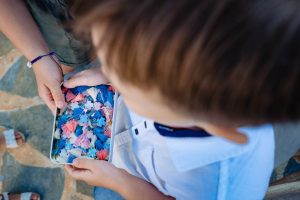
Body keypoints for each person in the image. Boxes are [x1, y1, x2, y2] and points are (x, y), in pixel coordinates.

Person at [62, 0, 300, 199]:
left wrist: (119, 182)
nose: (107, 71)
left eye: (120, 73)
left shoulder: (218, 188)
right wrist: (111, 73)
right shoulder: (190, 95)